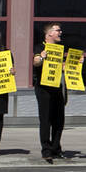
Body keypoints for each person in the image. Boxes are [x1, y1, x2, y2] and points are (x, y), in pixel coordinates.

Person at [32, 22, 66, 163]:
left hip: (57, 87)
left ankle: (56, 148)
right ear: (49, 34)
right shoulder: (40, 47)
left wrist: (76, 62)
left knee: (59, 120)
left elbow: (63, 67)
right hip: (43, 88)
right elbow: (36, 62)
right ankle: (46, 150)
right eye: (58, 30)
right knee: (45, 120)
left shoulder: (59, 49)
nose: (60, 32)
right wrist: (41, 57)